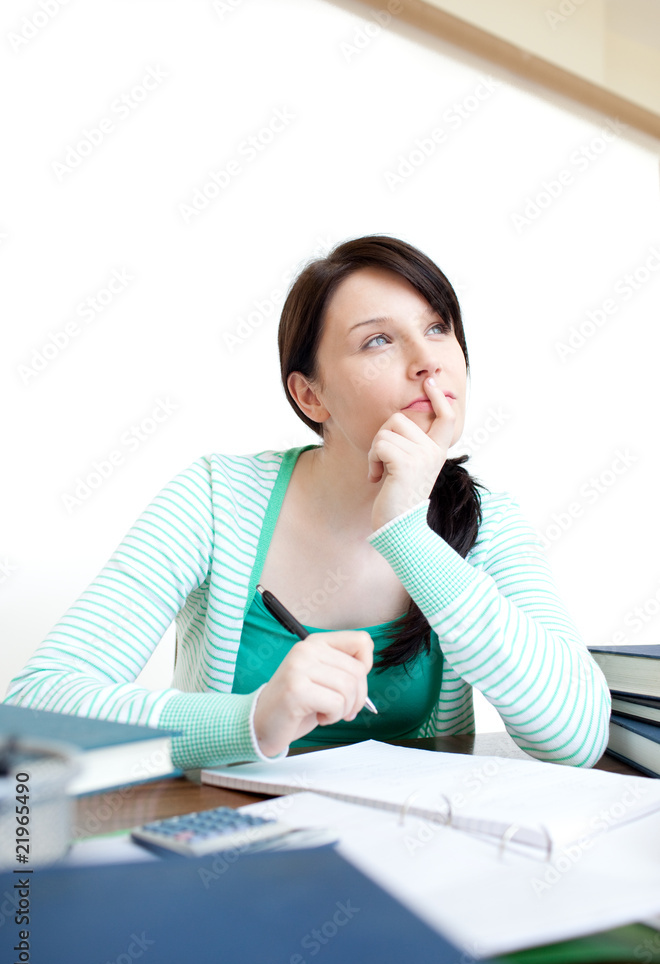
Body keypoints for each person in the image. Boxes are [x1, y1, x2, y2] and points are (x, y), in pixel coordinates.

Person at [4, 235, 611, 769]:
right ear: (310, 395)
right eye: (378, 340)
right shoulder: (214, 500)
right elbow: (34, 711)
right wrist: (253, 719)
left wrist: (408, 533)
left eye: (437, 328)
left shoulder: (489, 523)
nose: (427, 360)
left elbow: (578, 735)